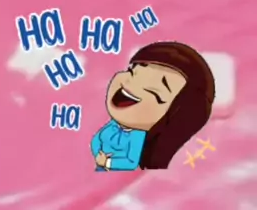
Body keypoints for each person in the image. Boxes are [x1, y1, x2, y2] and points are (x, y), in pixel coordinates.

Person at [90, 41, 215, 170]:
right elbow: (96, 140)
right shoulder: (113, 125)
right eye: (132, 71)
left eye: (153, 92)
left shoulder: (138, 138)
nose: (131, 84)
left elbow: (131, 162)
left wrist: (107, 162)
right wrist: (98, 153)